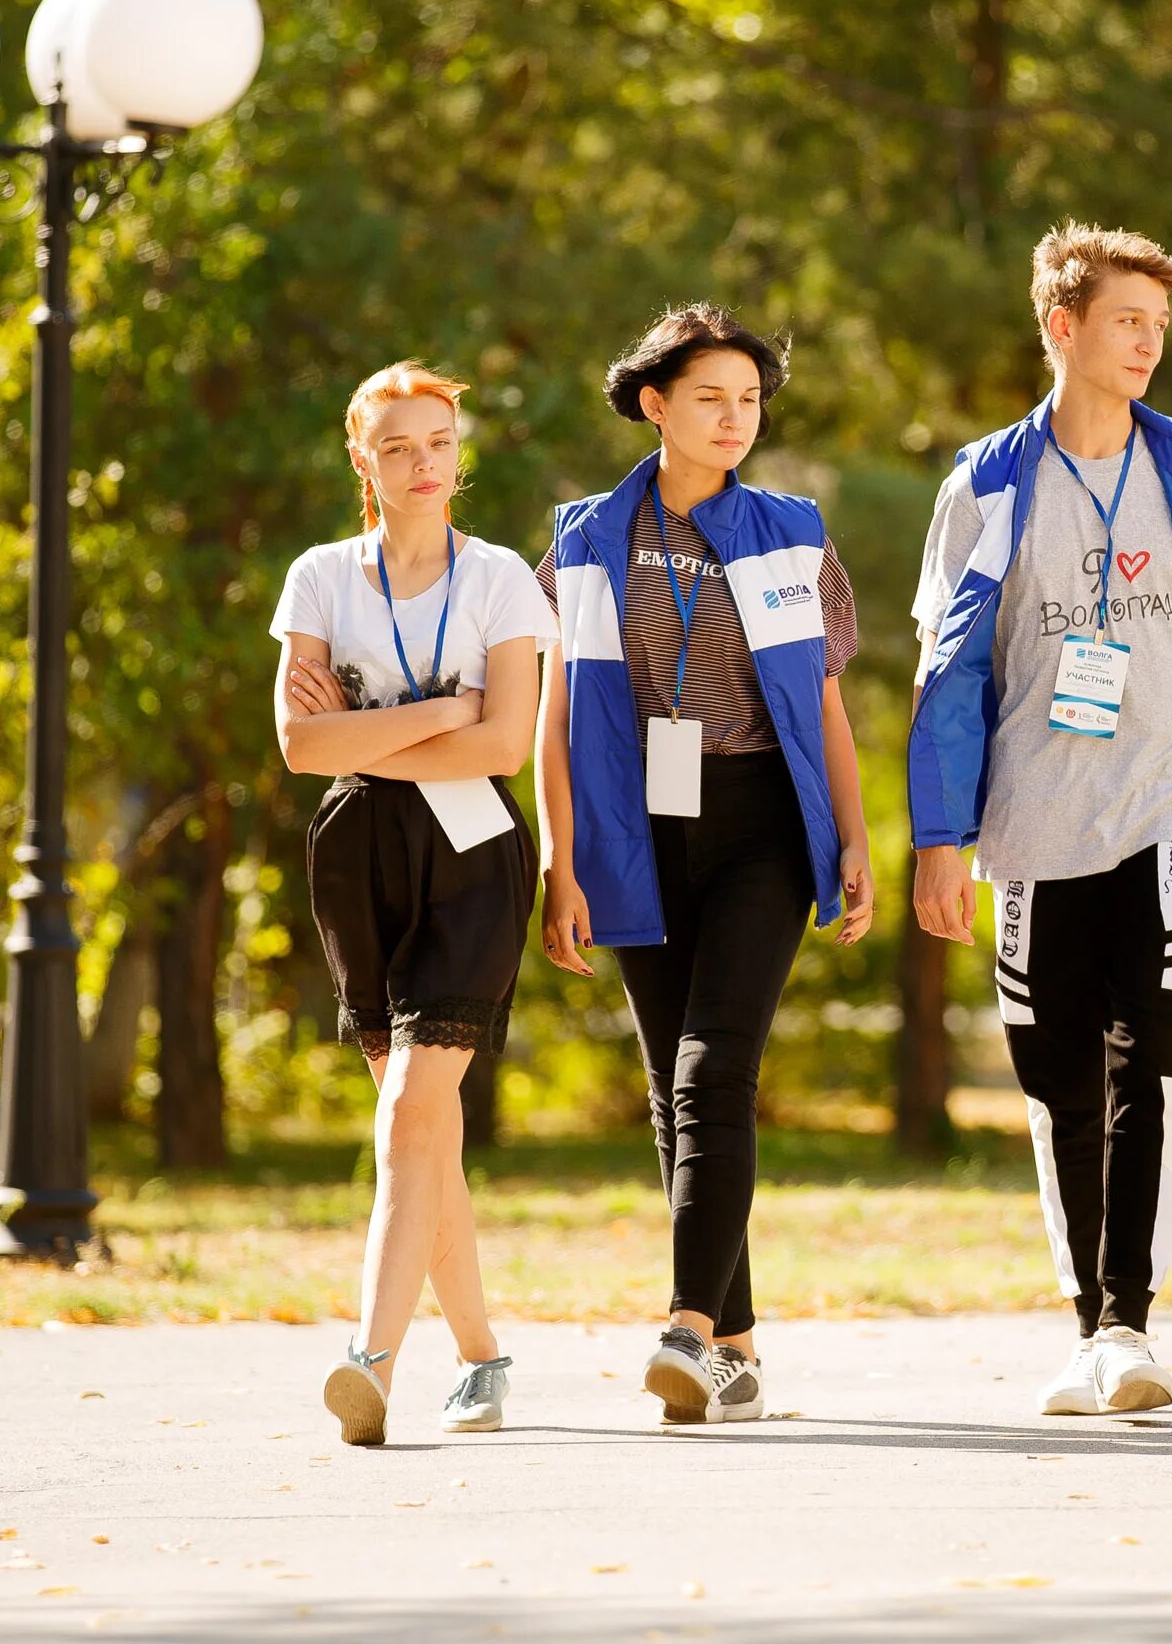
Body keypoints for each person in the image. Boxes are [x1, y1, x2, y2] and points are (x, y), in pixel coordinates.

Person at [909, 221, 1172, 1417]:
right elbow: (947, 673)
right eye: (1127, 320)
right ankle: (1090, 1322)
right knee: (1055, 1080)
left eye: (1159, 324)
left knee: (1153, 1064)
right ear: (1060, 327)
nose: (1149, 342)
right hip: (1032, 815)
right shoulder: (982, 481)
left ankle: (1127, 1321)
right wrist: (938, 836)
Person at [535, 306, 878, 1426]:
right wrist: (561, 856)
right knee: (666, 1091)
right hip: (634, 819)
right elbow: (548, 712)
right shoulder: (583, 537)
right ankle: (733, 1341)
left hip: (762, 821)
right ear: (654, 404)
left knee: (712, 1064)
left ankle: (683, 1322)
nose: (735, 418)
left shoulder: (792, 528)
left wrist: (859, 836)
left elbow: (825, 697)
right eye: (709, 398)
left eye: (748, 399)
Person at [271, 361, 552, 1445]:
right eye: (398, 445)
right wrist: (441, 708)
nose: (424, 462)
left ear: (459, 450)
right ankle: (483, 1356)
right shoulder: (321, 578)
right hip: (358, 857)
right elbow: (300, 745)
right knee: (421, 1131)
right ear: (364, 459)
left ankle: (370, 1358)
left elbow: (501, 744)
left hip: (474, 850)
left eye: (438, 441)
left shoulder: (501, 583)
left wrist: (368, 725)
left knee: (411, 1114)